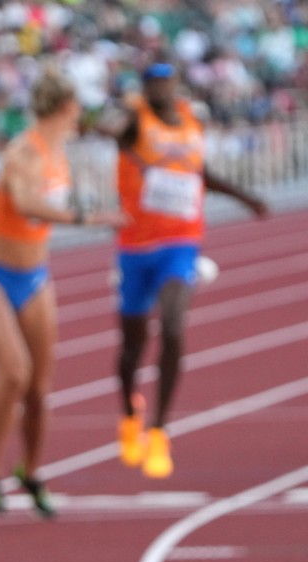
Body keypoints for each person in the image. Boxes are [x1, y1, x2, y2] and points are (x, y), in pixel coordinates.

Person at [0, 69, 124, 516]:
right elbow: (27, 203)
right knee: (14, 372)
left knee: (39, 388)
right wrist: (88, 218)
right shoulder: (24, 152)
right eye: (78, 107)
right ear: (67, 106)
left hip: (34, 278)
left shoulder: (58, 151)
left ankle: (29, 471)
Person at [108, 61, 268, 478]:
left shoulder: (191, 121)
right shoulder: (133, 123)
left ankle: (159, 431)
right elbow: (101, 124)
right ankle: (130, 413)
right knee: (131, 350)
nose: (162, 86)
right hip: (135, 248)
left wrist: (246, 199)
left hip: (181, 242)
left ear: (175, 84)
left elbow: (200, 174)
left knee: (175, 328)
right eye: (153, 81)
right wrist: (121, 110)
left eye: (167, 80)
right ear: (145, 88)